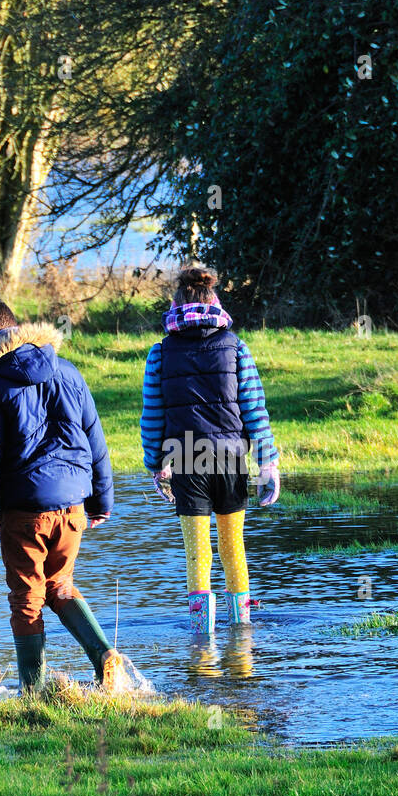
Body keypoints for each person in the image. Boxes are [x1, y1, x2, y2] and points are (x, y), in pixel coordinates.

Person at [0, 299, 128, 692]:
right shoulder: (68, 371)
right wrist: (102, 499)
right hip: (73, 505)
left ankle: (33, 693)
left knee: (26, 597)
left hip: (24, 511)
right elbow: (96, 438)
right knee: (60, 585)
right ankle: (105, 655)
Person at [140, 263, 280, 632]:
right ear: (214, 302)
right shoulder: (236, 347)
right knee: (234, 550)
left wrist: (156, 465)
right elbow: (254, 409)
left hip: (186, 459)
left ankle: (202, 644)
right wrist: (268, 464)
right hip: (232, 458)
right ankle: (243, 637)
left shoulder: (160, 353)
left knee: (197, 555)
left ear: (175, 306)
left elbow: (153, 416)